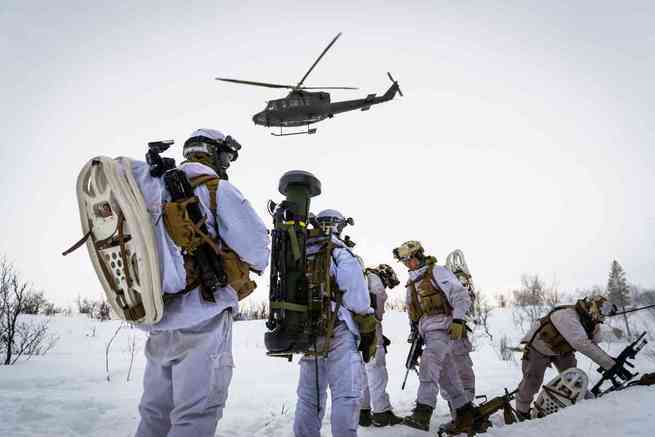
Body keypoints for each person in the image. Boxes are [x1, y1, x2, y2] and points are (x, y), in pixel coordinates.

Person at [135, 128, 270, 437]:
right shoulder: (216, 189)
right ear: (216, 154)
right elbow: (257, 251)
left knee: (155, 412)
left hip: (160, 314)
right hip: (203, 314)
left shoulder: (153, 189)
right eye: (227, 157)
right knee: (196, 413)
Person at [293, 209, 376, 437]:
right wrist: (367, 320)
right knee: (346, 395)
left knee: (309, 399)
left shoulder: (301, 251)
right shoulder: (339, 252)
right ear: (339, 226)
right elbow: (356, 296)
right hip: (337, 328)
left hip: (308, 331)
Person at [392, 240, 474, 434]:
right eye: (404, 261)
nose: (407, 264)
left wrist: (458, 320)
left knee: (429, 365)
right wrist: (417, 338)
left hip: (443, 328)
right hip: (427, 333)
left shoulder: (437, 272)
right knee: (447, 377)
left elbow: (461, 296)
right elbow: (415, 315)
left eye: (410, 259)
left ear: (419, 255)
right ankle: (465, 414)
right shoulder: (412, 283)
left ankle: (423, 411)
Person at [515, 295, 623, 420]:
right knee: (532, 381)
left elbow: (595, 343)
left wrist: (610, 360)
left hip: (561, 351)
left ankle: (585, 402)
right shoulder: (567, 315)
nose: (602, 317)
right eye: (601, 312)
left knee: (573, 378)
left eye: (604, 314)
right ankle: (521, 412)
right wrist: (610, 364)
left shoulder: (592, 324)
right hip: (538, 347)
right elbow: (583, 344)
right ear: (592, 308)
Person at [358, 264, 404, 427]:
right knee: (377, 370)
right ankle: (381, 413)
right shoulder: (376, 282)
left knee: (363, 372)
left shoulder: (361, 278)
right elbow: (377, 313)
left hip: (356, 330)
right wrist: (377, 334)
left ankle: (362, 413)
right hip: (370, 328)